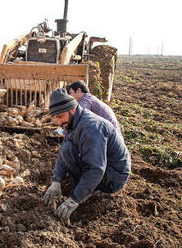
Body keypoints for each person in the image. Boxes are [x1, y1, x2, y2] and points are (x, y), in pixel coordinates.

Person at [43, 88, 131, 220]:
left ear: (72, 109)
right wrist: (56, 180)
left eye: (60, 117)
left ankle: (91, 192)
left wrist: (74, 199)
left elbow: (96, 169)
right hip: (104, 167)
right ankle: (83, 188)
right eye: (56, 118)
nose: (59, 123)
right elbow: (63, 151)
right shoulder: (73, 122)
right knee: (67, 148)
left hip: (113, 177)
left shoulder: (91, 128)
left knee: (80, 161)